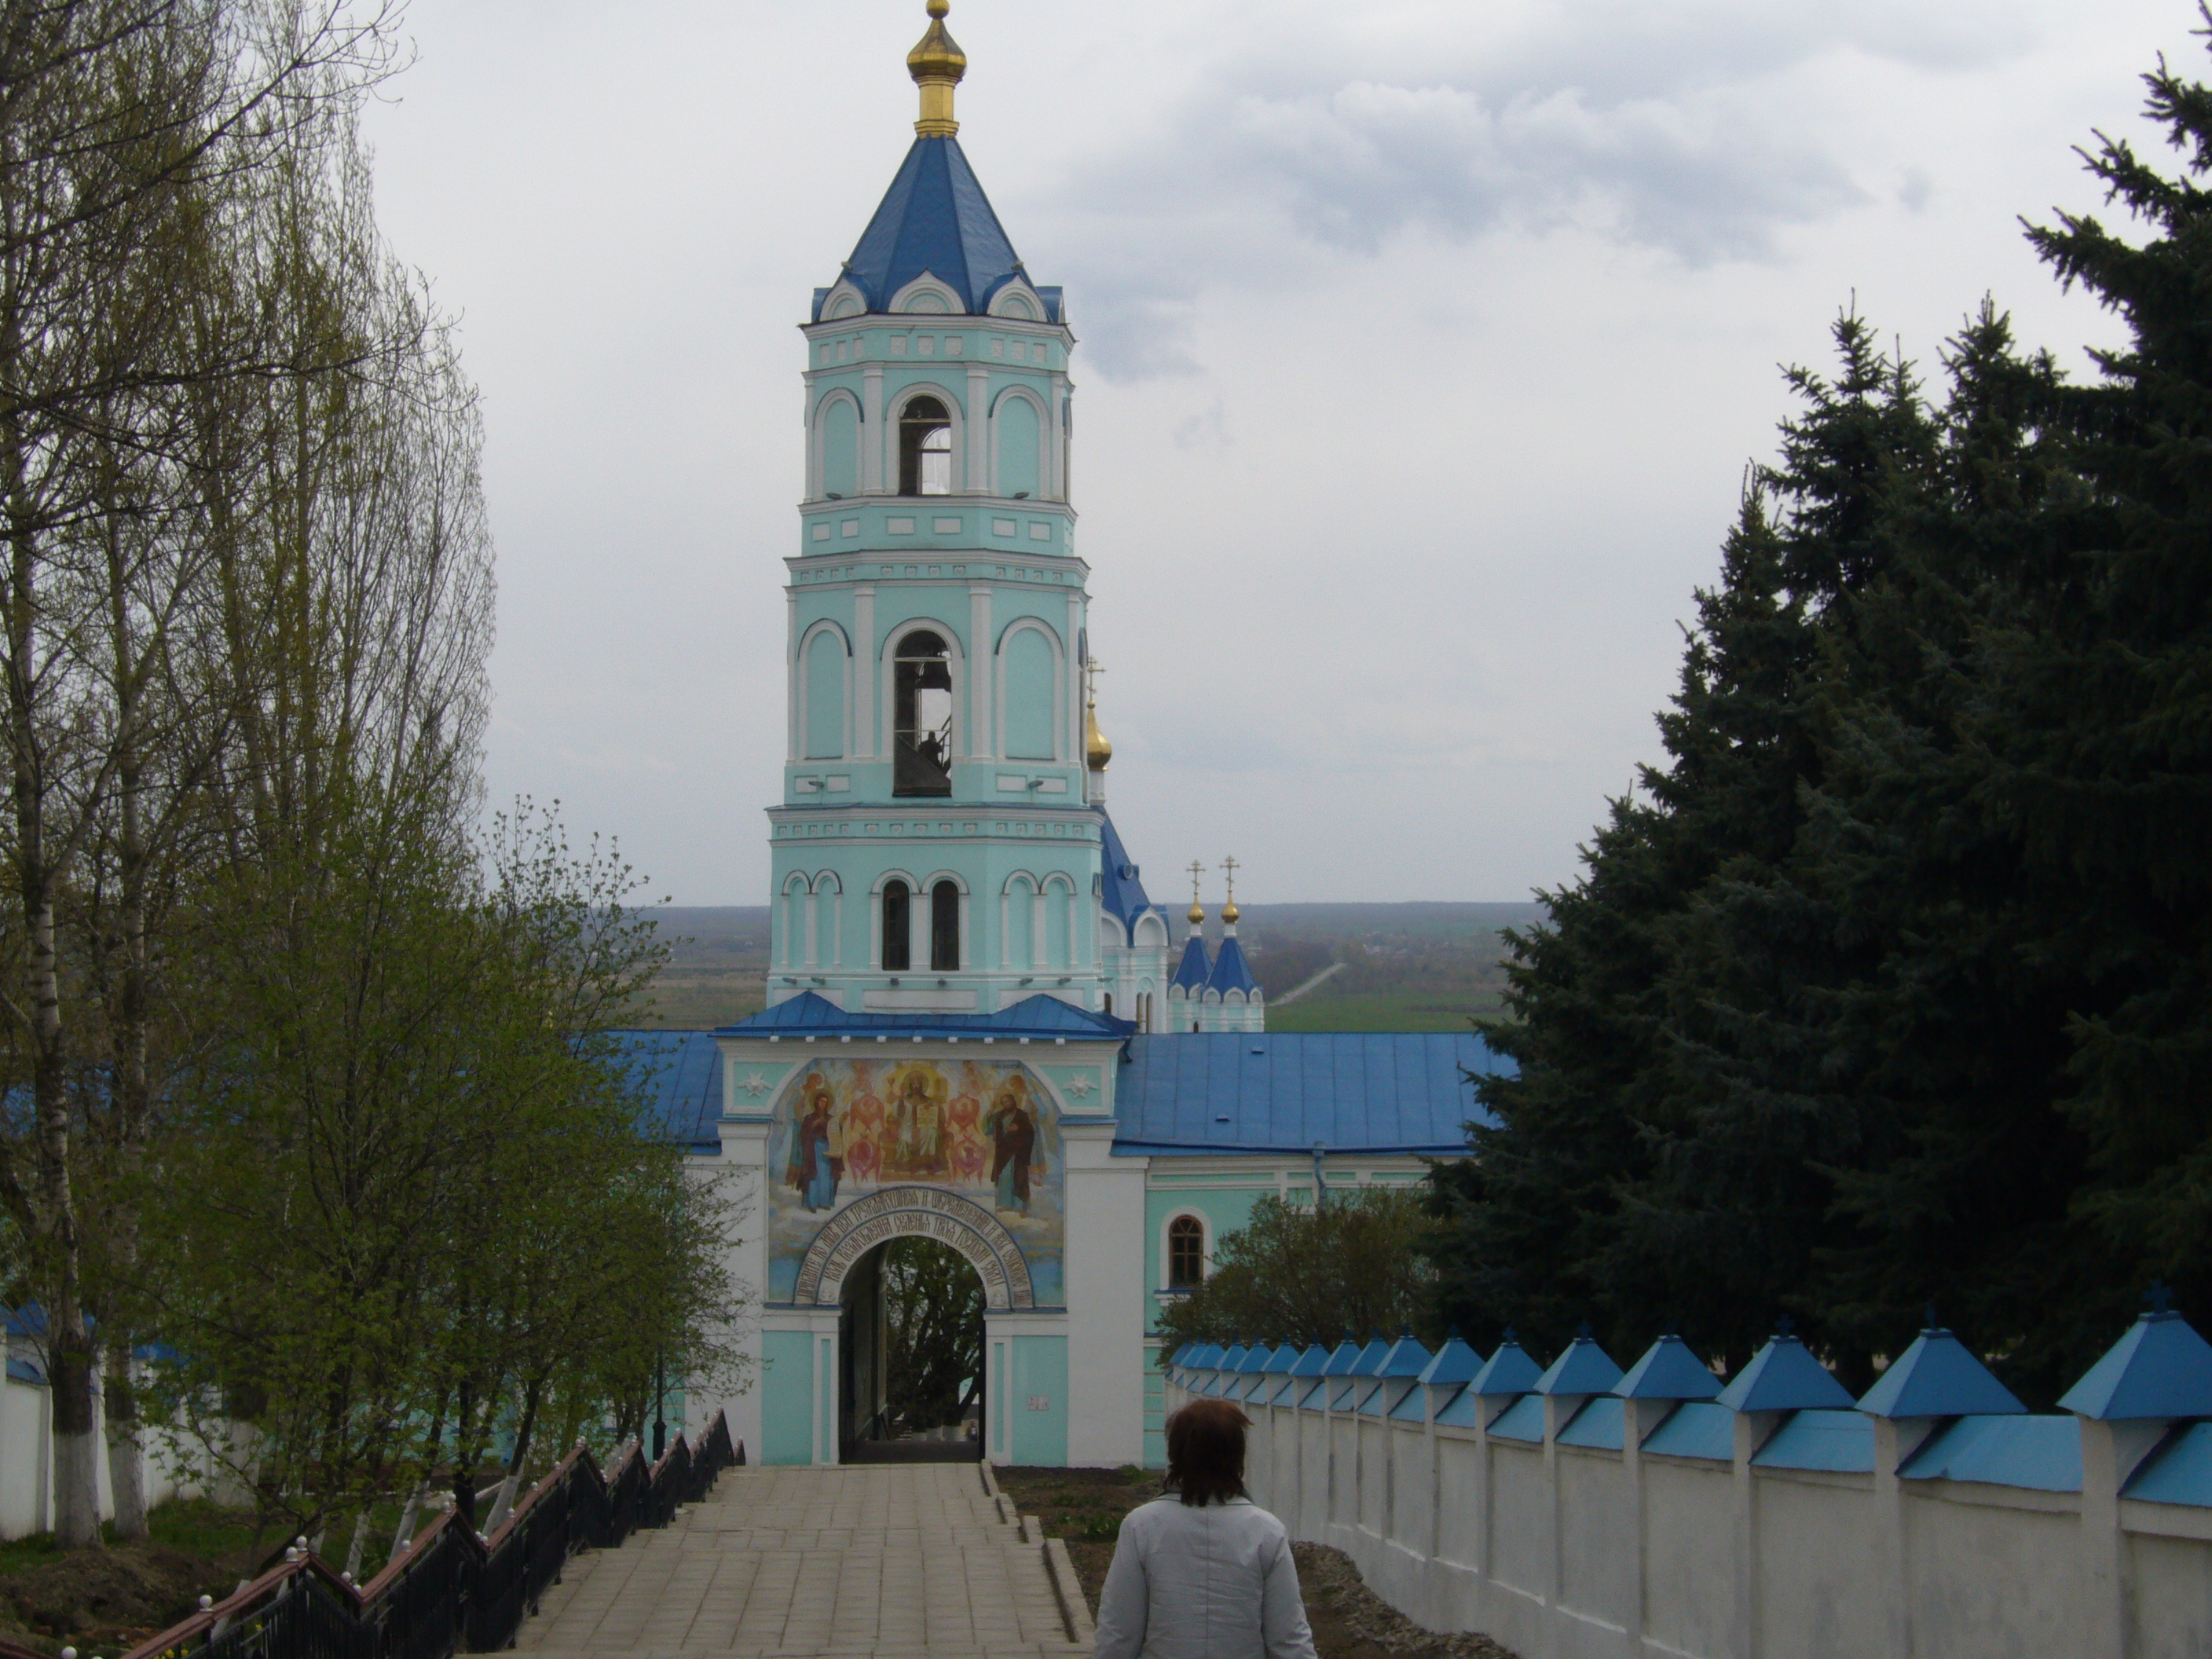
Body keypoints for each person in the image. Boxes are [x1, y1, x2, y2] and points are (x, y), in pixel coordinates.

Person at [1093, 1400, 1316, 1659]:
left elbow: (1119, 1634)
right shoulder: (1267, 1532)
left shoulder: (1141, 1526)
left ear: (1176, 1453)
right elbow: (1289, 1640)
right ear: (1237, 1455)